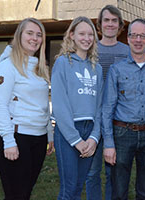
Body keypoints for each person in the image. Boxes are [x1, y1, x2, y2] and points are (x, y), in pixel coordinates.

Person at [102, 18, 145, 199]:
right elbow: (107, 108)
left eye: (143, 36)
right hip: (122, 134)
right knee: (119, 191)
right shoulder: (116, 70)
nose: (138, 40)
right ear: (129, 37)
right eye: (134, 35)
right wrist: (108, 144)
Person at [0, 18, 54, 199]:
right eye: (30, 33)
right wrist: (9, 141)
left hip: (38, 139)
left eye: (39, 35)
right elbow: (0, 105)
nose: (35, 38)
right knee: (16, 195)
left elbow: (42, 104)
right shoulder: (7, 66)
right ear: (19, 36)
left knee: (24, 194)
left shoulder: (39, 68)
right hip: (15, 137)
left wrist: (49, 132)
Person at [51, 16, 103, 199]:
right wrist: (76, 140)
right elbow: (59, 105)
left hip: (90, 131)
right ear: (72, 35)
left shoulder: (97, 67)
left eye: (91, 34)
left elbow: (99, 107)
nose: (86, 38)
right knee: (69, 188)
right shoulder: (63, 63)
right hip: (68, 131)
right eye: (82, 33)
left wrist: (94, 137)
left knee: (79, 186)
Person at [86, 5, 129, 200]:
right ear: (100, 24)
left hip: (118, 120)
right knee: (92, 172)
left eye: (114, 21)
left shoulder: (127, 52)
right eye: (106, 20)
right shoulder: (90, 50)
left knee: (114, 173)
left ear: (119, 25)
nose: (110, 24)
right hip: (93, 118)